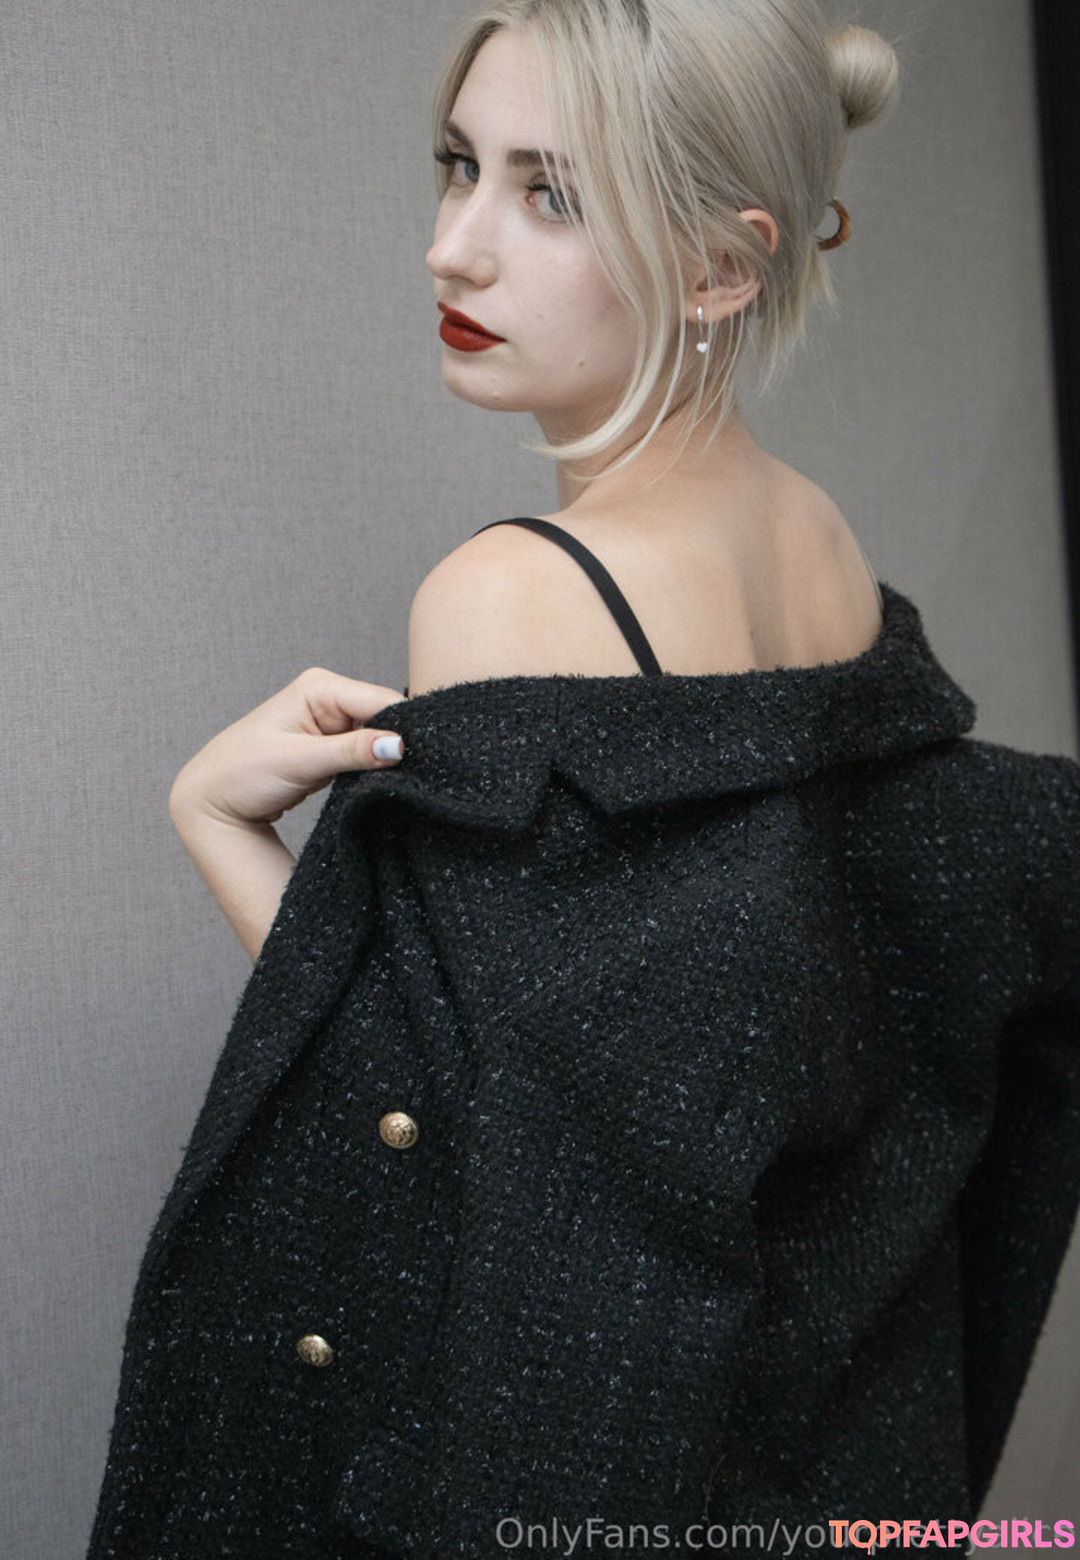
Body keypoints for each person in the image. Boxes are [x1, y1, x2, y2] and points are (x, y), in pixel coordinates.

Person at [87, 3, 1080, 1558]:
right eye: (459, 164)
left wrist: (215, 824)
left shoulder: (512, 598)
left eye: (551, 194)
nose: (454, 249)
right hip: (815, 1464)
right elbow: (706, 1061)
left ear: (721, 265)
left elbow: (476, 1136)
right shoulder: (821, 544)